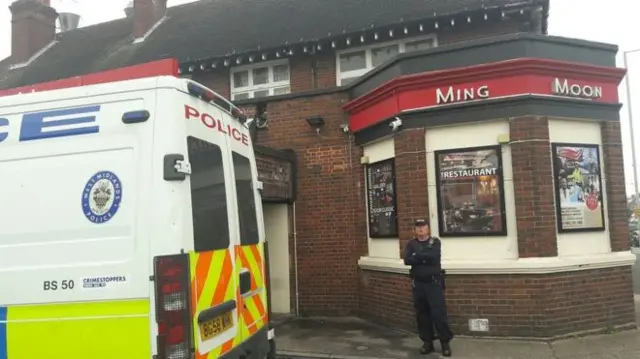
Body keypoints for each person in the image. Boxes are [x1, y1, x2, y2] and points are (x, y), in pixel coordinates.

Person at [403, 219, 453, 356]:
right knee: (422, 314)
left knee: (439, 314)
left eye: (423, 226)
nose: (421, 229)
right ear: (415, 229)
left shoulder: (435, 242)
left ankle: (445, 343)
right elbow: (407, 260)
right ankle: (427, 342)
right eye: (418, 226)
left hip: (434, 284)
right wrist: (423, 256)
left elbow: (433, 256)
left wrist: (417, 256)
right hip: (418, 284)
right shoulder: (411, 244)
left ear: (428, 228)